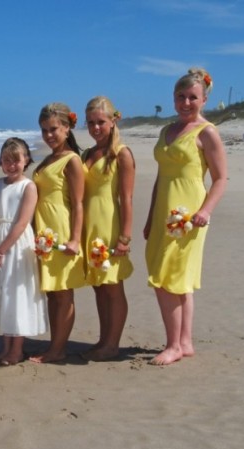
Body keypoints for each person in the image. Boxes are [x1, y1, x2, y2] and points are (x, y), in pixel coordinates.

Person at [144, 68, 227, 366]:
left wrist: (205, 211)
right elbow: (160, 177)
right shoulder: (166, 130)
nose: (186, 102)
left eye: (193, 97)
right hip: (162, 212)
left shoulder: (206, 132)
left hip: (188, 216)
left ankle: (173, 346)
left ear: (203, 99)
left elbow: (220, 179)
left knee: (169, 278)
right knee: (177, 278)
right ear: (174, 98)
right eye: (181, 96)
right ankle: (185, 342)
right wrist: (151, 215)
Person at [0, 138, 46, 365]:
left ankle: (17, 349)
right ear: (0, 161)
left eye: (16, 160)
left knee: (17, 294)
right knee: (2, 293)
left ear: (26, 160)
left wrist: (1, 250)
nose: (11, 165)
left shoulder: (28, 186)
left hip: (16, 245)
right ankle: (5, 346)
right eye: (7, 160)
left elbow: (21, 222)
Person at [29, 103, 85, 364]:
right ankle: (55, 343)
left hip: (61, 231)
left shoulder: (71, 159)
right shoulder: (49, 158)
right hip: (44, 232)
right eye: (44, 130)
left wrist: (75, 239)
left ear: (66, 128)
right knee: (52, 291)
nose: (49, 135)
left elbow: (78, 203)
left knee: (63, 292)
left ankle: (58, 349)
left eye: (53, 129)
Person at [81, 96, 136, 361]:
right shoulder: (88, 153)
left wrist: (124, 237)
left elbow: (126, 199)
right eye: (91, 123)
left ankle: (113, 344)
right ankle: (104, 339)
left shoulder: (121, 153)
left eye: (100, 122)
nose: (95, 128)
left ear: (113, 120)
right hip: (90, 230)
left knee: (113, 286)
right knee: (99, 286)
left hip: (109, 227)